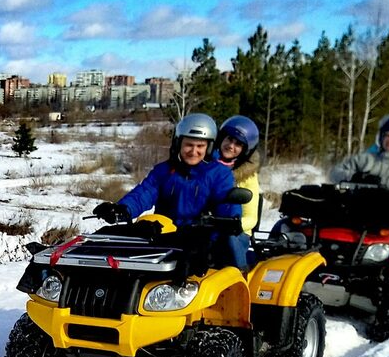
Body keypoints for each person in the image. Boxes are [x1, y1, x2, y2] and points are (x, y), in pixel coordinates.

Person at [91, 114, 242, 260]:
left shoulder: (220, 174)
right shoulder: (164, 171)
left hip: (200, 240)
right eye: (189, 145)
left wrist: (231, 220)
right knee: (109, 245)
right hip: (164, 235)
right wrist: (121, 209)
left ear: (209, 148)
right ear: (178, 143)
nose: (193, 151)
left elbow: (227, 201)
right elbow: (143, 194)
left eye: (200, 146)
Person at [214, 114, 262, 270]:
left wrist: (234, 225)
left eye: (238, 144)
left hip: (236, 232)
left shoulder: (248, 177)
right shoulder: (206, 167)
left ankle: (240, 276)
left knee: (229, 240)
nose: (231, 146)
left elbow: (251, 218)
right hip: (206, 226)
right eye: (229, 139)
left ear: (245, 150)